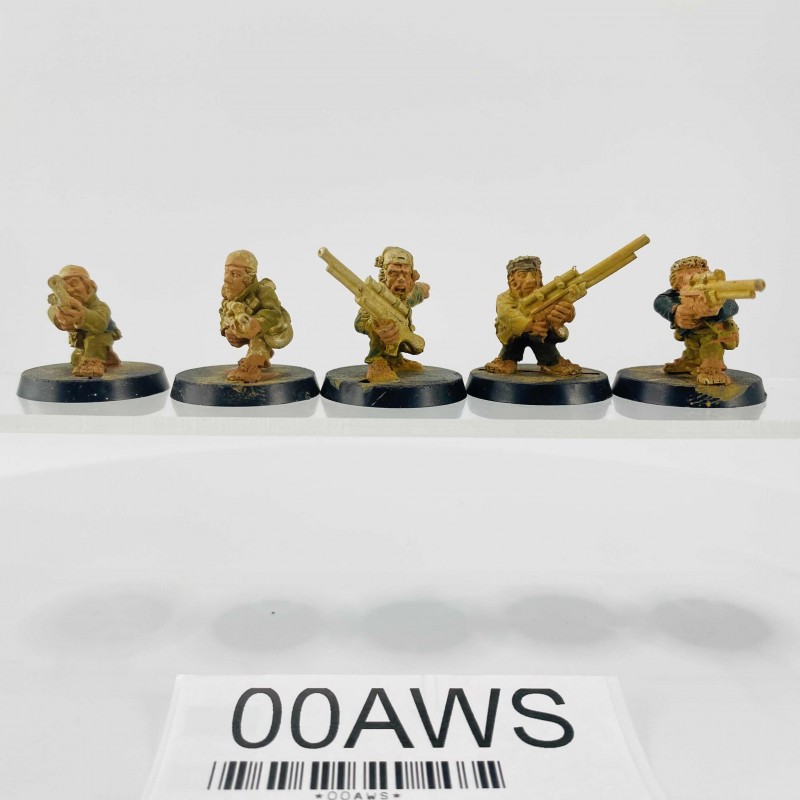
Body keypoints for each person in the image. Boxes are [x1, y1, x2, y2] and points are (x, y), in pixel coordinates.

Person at [484, 255, 580, 376]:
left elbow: (560, 308)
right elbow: (507, 314)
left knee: (543, 338)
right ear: (511, 279)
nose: (531, 280)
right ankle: (507, 360)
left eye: (534, 274)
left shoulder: (548, 294)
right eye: (522, 275)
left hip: (541, 332)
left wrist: (565, 315)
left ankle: (551, 362)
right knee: (512, 343)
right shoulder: (504, 298)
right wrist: (529, 325)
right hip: (513, 334)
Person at [654, 256, 739, 386]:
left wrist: (717, 309)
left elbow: (732, 306)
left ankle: (712, 369)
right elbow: (660, 301)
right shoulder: (675, 294)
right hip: (691, 332)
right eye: (684, 277)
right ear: (677, 283)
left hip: (712, 332)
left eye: (698, 274)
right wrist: (675, 311)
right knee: (692, 347)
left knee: (711, 347)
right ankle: (692, 361)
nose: (691, 278)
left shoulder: (717, 292)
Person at [355, 246, 430, 382]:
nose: (400, 279)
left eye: (405, 274)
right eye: (394, 274)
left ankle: (396, 361)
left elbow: (420, 292)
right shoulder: (375, 299)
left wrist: (422, 290)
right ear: (384, 276)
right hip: (381, 345)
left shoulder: (407, 294)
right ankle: (377, 363)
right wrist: (374, 328)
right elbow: (360, 323)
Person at [220, 249, 293, 382]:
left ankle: (252, 366)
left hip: (275, 330)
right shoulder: (229, 292)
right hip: (245, 330)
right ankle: (258, 358)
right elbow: (224, 310)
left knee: (257, 332)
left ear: (248, 278)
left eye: (235, 274)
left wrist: (256, 325)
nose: (226, 279)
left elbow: (273, 312)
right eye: (226, 272)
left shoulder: (264, 292)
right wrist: (227, 329)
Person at [47, 265, 121, 378]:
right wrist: (59, 318)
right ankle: (106, 357)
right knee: (77, 358)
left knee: (94, 341)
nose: (70, 290)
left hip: (99, 338)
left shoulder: (99, 306)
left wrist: (82, 315)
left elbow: (101, 322)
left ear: (88, 286)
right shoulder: (60, 304)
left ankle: (94, 362)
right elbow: (52, 311)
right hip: (82, 342)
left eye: (74, 284)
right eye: (65, 286)